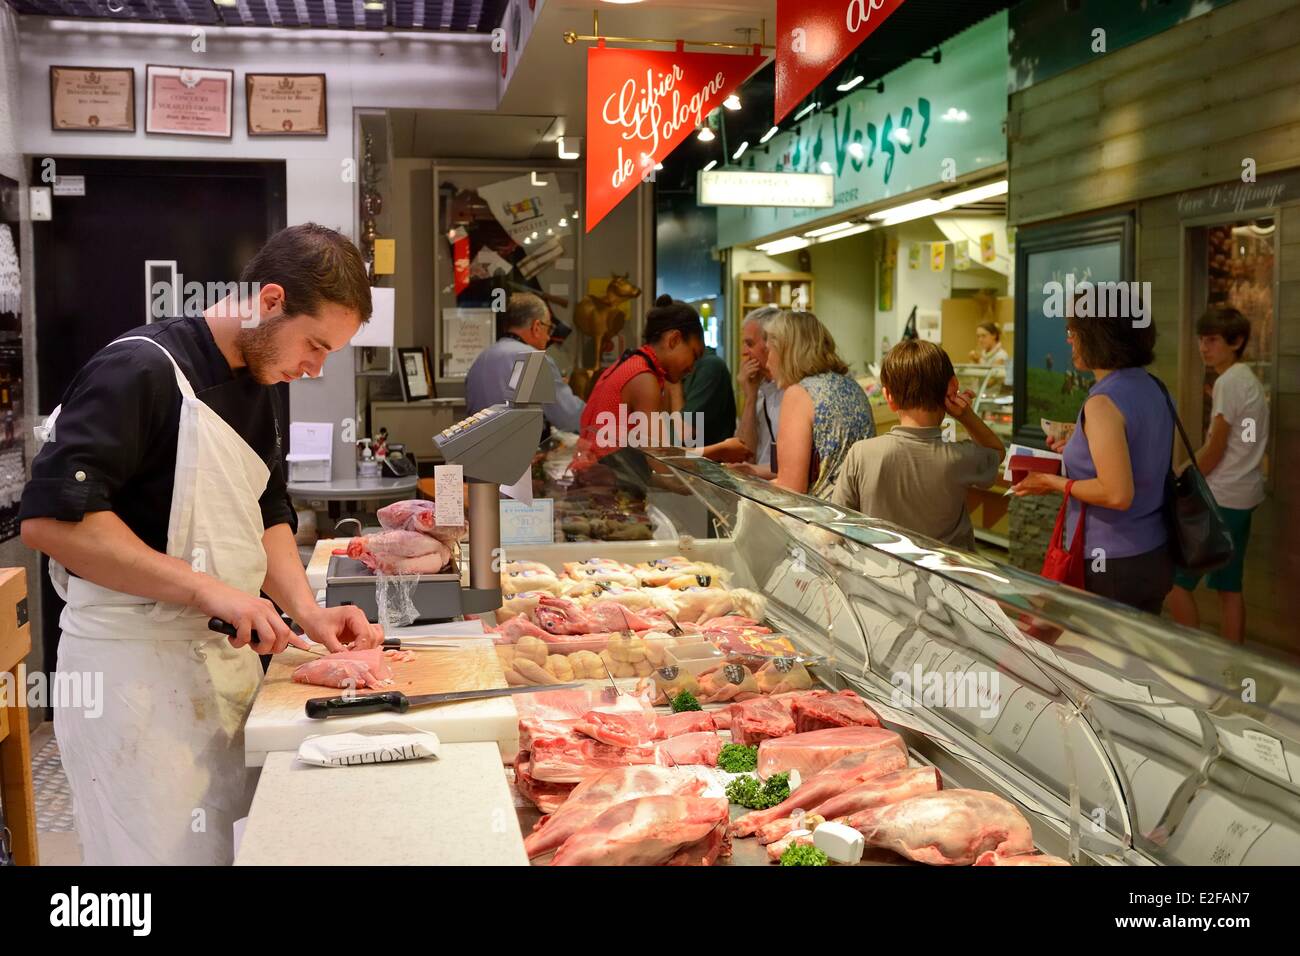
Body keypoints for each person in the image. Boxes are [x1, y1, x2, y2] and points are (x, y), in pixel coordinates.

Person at [19, 223, 383, 865]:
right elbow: (53, 522)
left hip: (217, 669)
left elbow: (265, 509)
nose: (313, 367)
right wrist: (209, 589)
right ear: (271, 301)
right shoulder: (139, 367)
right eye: (315, 345)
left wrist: (309, 610)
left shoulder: (256, 382)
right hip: (132, 684)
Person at [1012, 300, 1174, 614]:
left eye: (1074, 331)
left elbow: (1117, 493)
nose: (1069, 339)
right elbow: (1145, 457)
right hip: (1154, 551)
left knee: (1091, 657)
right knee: (1131, 658)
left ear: (1100, 336)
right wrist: (1079, 445)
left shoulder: (1103, 402)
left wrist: (1050, 480)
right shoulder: (1156, 388)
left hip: (1109, 561)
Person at [832, 340, 1004, 551]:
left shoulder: (861, 453)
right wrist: (966, 415)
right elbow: (996, 451)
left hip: (881, 575)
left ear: (888, 397)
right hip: (947, 580)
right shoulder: (961, 457)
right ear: (952, 387)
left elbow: (836, 525)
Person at [1166, 306, 1268, 643]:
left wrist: (1183, 473)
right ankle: (1232, 667)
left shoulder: (1228, 382)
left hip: (1222, 497)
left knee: (1175, 580)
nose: (1203, 348)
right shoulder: (1250, 382)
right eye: (1201, 340)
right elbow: (1246, 441)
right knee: (1229, 586)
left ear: (1236, 341)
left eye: (1212, 340)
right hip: (1245, 495)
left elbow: (1217, 446)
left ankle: (1195, 659)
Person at [733, 309, 874, 498]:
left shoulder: (799, 394)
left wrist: (744, 489)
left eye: (771, 350)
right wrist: (756, 472)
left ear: (787, 352)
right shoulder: (851, 385)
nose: (768, 362)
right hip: (854, 514)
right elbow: (822, 463)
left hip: (820, 517)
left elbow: (791, 488)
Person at [573, 294, 704, 474]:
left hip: (599, 480)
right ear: (674, 340)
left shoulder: (632, 363)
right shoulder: (644, 378)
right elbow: (659, 461)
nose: (692, 367)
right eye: (694, 355)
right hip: (607, 488)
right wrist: (719, 453)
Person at [465, 292, 584, 434]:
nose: (548, 337)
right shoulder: (532, 359)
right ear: (536, 326)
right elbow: (569, 417)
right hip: (517, 452)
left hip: (478, 451)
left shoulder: (483, 358)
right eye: (548, 329)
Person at [700, 306, 783, 466]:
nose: (744, 352)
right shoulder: (757, 387)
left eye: (749, 344)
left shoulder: (790, 389)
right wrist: (750, 396)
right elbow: (743, 454)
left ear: (772, 343)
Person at [673, 340, 736, 448]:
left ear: (673, 340)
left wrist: (673, 381)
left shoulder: (710, 367)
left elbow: (681, 434)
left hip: (704, 462)